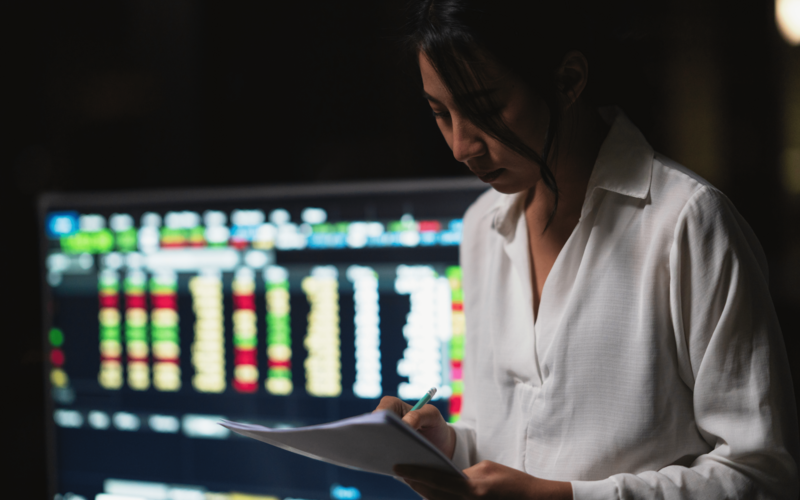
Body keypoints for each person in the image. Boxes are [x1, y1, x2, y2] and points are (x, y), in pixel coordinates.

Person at [374, 0, 800, 498]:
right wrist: (446, 447)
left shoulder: (686, 223)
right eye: (441, 114)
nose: (461, 146)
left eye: (486, 109)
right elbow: (517, 439)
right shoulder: (479, 227)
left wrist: (559, 496)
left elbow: (762, 476)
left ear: (569, 79)